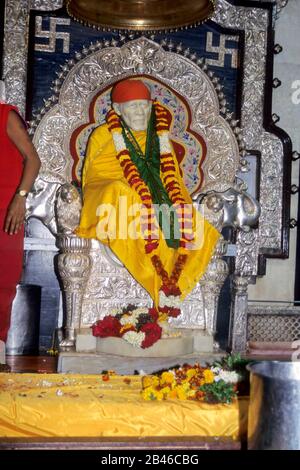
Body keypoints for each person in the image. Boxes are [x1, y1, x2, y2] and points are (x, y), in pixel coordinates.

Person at [76, 78, 219, 315]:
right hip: (109, 196)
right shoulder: (103, 134)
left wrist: (178, 205)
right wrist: (129, 184)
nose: (141, 111)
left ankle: (175, 288)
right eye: (133, 106)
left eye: (144, 105)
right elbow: (94, 174)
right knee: (120, 192)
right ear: (118, 110)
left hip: (156, 197)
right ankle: (160, 284)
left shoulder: (160, 138)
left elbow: (173, 179)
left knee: (192, 222)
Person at [0, 96, 41, 344]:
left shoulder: (5, 115)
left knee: (3, 278)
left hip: (6, 210)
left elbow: (33, 160)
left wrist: (20, 197)